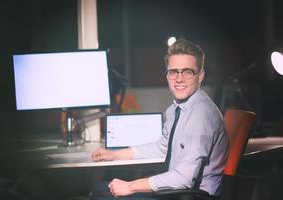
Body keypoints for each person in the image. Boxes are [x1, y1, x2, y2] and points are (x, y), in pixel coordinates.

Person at [91, 39, 228, 199]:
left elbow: (184, 178)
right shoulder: (177, 109)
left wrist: (130, 186)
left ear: (201, 75)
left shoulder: (201, 114)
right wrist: (114, 155)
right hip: (177, 192)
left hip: (191, 196)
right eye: (173, 72)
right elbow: (162, 147)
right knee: (101, 189)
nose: (179, 79)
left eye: (187, 72)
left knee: (102, 195)